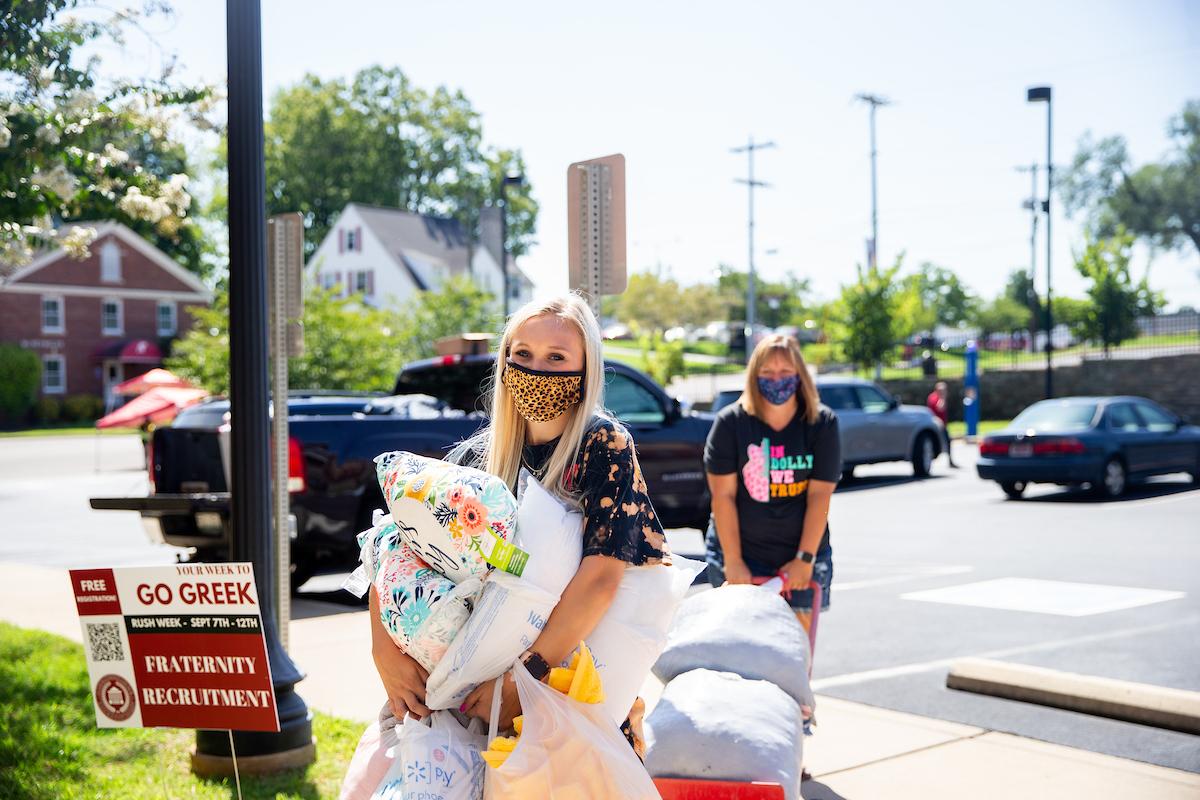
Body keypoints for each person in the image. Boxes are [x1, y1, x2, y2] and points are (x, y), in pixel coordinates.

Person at [368, 293, 666, 757]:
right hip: (465, 701)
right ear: (505, 362)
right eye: (522, 355)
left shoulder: (602, 446)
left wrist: (520, 683)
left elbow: (601, 580)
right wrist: (384, 653)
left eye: (557, 357)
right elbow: (395, 548)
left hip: (565, 696)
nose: (536, 371)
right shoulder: (476, 458)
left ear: (585, 369)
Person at [703, 334, 838, 635]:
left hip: (802, 555)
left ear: (800, 375)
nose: (777, 380)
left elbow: (820, 496)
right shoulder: (730, 424)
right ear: (754, 376)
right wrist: (734, 561)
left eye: (785, 372)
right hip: (741, 553)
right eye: (767, 373)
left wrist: (804, 559)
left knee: (794, 657)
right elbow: (722, 496)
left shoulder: (822, 424)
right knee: (740, 653)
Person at [925, 381, 959, 468]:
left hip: (943, 424)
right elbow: (940, 408)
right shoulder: (934, 398)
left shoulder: (938, 397)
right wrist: (942, 398)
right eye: (942, 390)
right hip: (936, 425)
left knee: (947, 442)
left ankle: (950, 461)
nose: (944, 392)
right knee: (938, 443)